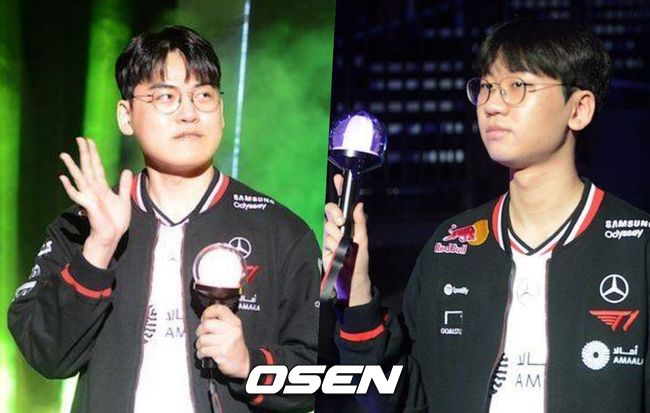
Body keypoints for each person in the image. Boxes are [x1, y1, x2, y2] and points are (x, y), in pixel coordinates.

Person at [323, 18, 650, 413]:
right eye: (487, 87)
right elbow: (395, 401)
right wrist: (356, 292)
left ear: (579, 109)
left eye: (518, 86)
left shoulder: (638, 247)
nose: (492, 105)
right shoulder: (450, 245)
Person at [8, 25, 320, 413]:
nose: (189, 113)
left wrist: (249, 365)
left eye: (203, 95)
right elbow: (47, 354)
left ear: (221, 112)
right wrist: (99, 249)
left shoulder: (281, 233)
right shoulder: (83, 227)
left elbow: (322, 374)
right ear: (126, 116)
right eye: (165, 97)